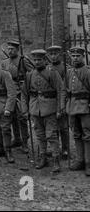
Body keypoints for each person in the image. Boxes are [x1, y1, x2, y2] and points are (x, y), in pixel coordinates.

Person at [21, 49, 65, 172]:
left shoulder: (52, 73)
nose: (37, 62)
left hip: (50, 108)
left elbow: (61, 90)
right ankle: (43, 157)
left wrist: (60, 108)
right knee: (40, 135)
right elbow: (24, 94)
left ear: (45, 60)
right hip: (35, 109)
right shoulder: (29, 75)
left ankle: (56, 159)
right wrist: (25, 109)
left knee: (51, 135)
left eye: (39, 59)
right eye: (35, 60)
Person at [1, 40, 33, 153]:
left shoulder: (23, 60)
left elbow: (32, 73)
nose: (10, 51)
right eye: (8, 49)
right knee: (12, 117)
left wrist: (25, 83)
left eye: (12, 49)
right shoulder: (4, 62)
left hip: (20, 92)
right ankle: (17, 139)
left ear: (17, 50)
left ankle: (25, 142)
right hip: (9, 92)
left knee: (22, 118)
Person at [65, 47, 90, 176]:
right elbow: (67, 90)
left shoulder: (87, 72)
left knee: (87, 135)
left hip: (85, 107)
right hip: (73, 107)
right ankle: (79, 160)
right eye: (73, 56)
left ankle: (88, 163)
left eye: (77, 56)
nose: (75, 58)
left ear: (83, 57)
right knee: (76, 134)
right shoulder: (69, 72)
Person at [47, 45, 70, 159]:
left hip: (62, 99)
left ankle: (65, 148)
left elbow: (67, 85)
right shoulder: (47, 68)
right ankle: (54, 148)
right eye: (51, 54)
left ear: (59, 54)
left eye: (55, 54)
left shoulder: (65, 68)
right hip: (50, 100)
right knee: (52, 126)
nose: (53, 56)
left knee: (63, 127)